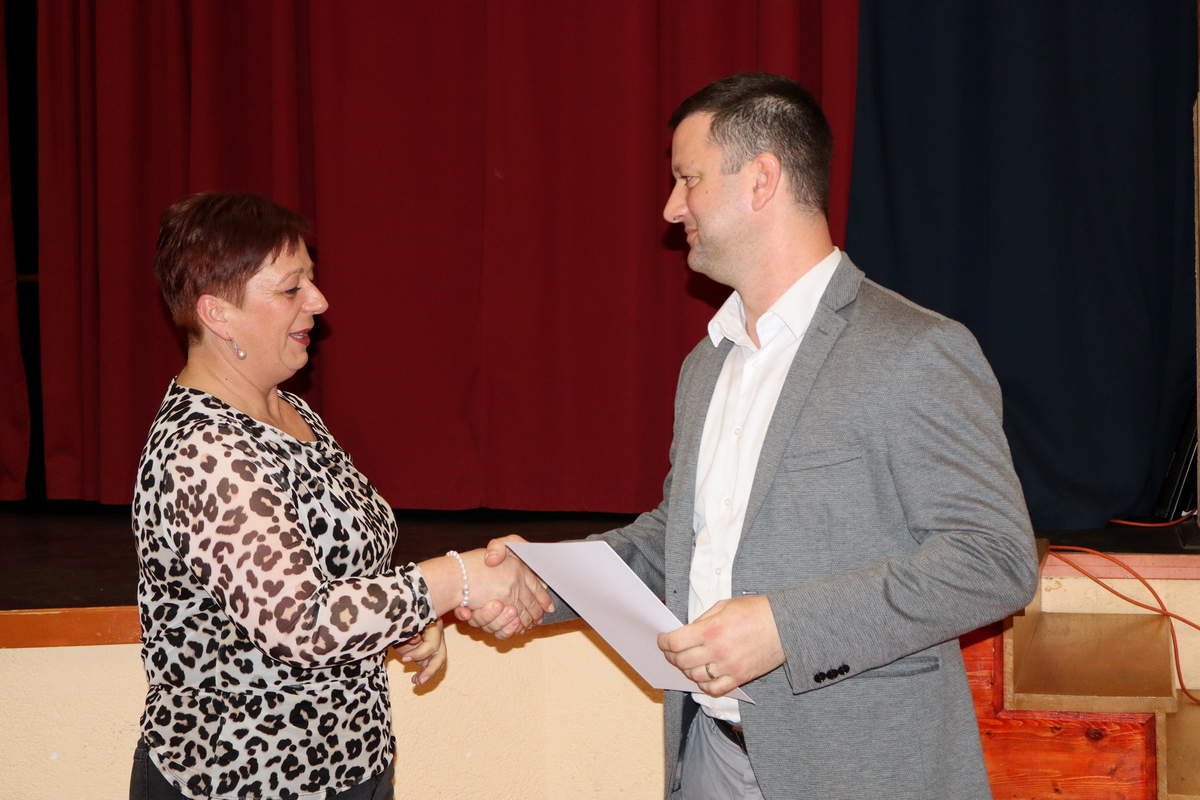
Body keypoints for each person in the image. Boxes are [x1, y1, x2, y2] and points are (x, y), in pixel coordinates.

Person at [464, 73, 1040, 800]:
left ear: (762, 179)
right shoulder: (707, 364)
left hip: (858, 773)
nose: (672, 207)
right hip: (708, 756)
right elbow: (679, 542)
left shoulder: (915, 350)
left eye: (688, 179)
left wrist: (784, 629)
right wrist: (543, 579)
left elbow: (994, 560)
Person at [131, 192, 552, 800]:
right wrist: (457, 579)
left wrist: (402, 619)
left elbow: (335, 571)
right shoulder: (203, 449)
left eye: (311, 279)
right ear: (218, 314)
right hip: (240, 780)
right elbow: (301, 622)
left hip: (350, 766)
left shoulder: (288, 410)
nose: (319, 301)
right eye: (291, 288)